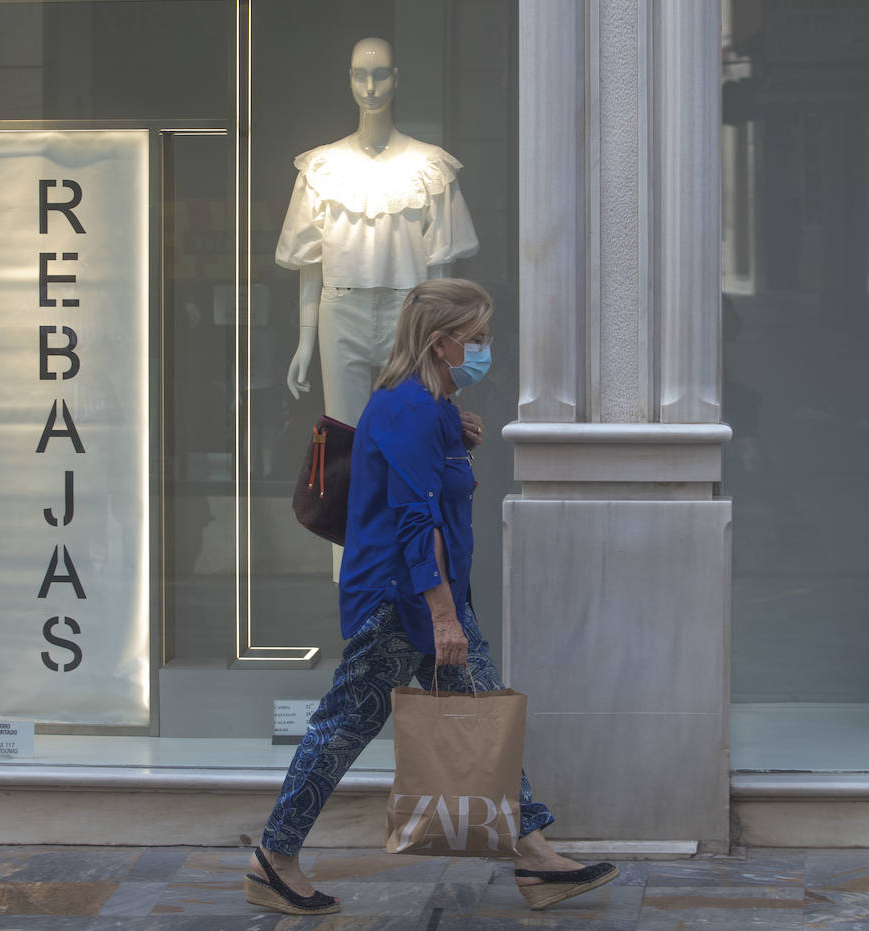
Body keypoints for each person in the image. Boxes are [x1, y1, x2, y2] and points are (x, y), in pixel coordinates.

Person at [244, 279, 619, 916]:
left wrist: (456, 443)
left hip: (425, 595)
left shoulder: (431, 406)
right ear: (440, 342)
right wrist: (444, 617)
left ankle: (533, 855)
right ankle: (273, 859)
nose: (484, 348)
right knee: (344, 726)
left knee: (482, 709)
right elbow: (416, 522)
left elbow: (425, 483)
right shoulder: (412, 408)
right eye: (475, 338)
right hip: (402, 599)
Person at [276, 37, 479, 427]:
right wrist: (306, 339)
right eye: (361, 76)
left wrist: (446, 340)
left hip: (410, 312)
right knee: (344, 434)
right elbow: (309, 261)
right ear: (349, 79)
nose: (370, 88)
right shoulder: (322, 167)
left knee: (410, 426)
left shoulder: (429, 166)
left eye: (380, 76)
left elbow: (441, 269)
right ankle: (353, 492)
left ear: (396, 79)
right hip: (340, 309)